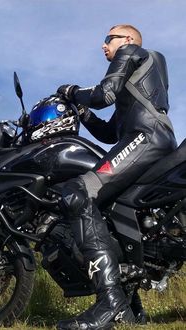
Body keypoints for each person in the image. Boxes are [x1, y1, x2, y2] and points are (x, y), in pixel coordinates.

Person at [56, 24, 177, 330]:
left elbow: (103, 94)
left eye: (108, 38)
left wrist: (70, 91)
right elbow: (110, 132)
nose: (103, 45)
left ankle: (109, 303)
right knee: (111, 215)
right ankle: (129, 309)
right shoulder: (137, 80)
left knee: (77, 193)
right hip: (148, 139)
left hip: (146, 137)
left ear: (127, 40)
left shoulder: (131, 52)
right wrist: (84, 115)